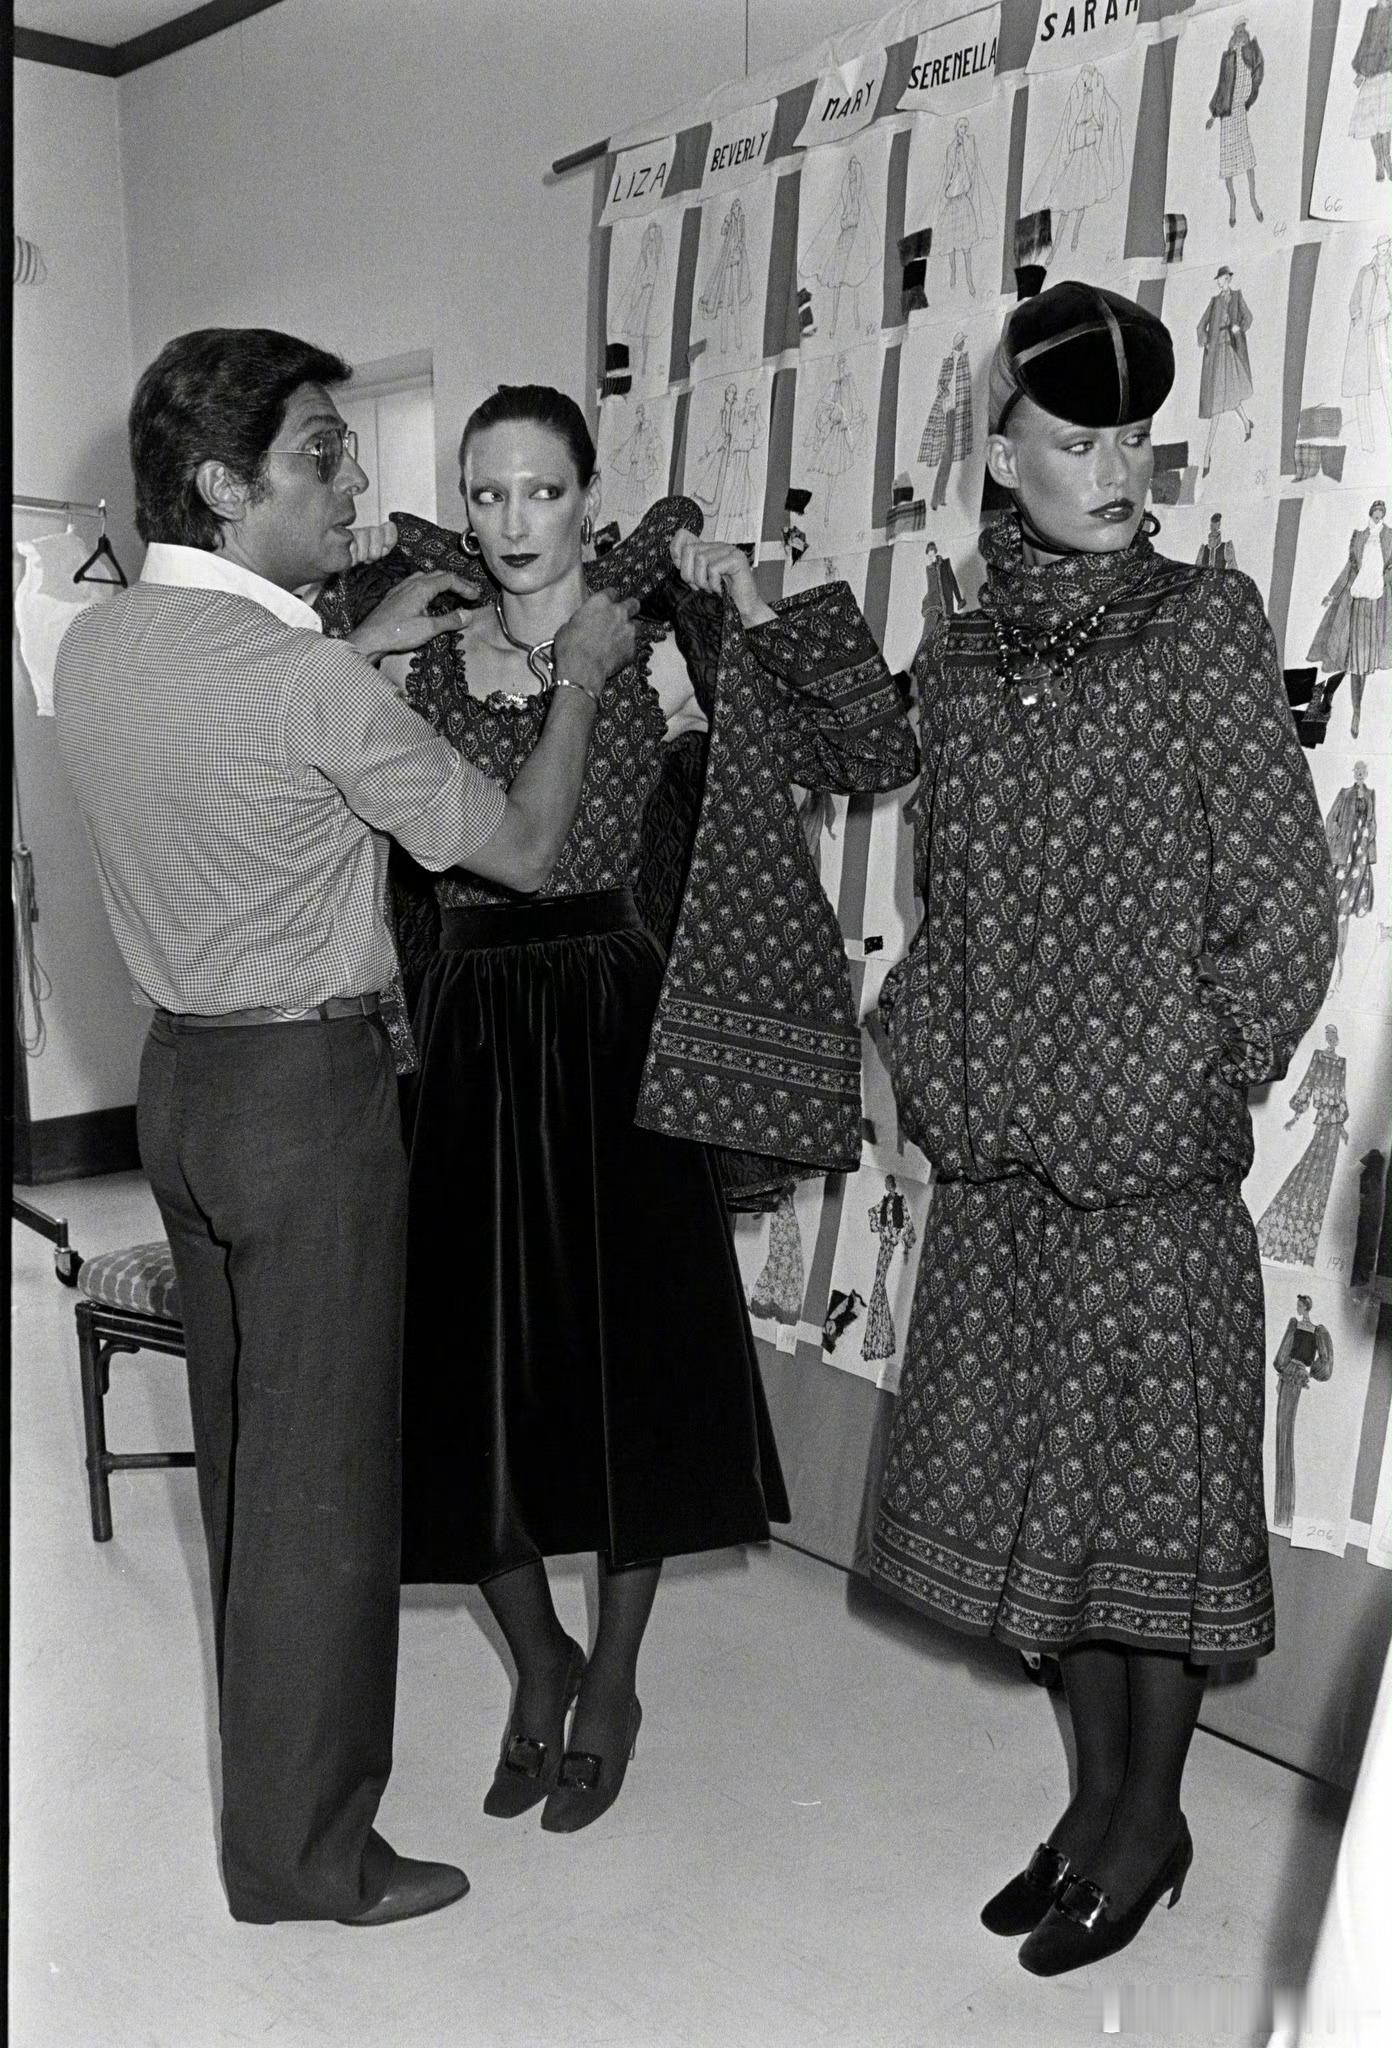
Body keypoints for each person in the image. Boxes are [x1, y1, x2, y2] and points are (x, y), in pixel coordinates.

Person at [53, 329, 636, 1926]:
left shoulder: (98, 647)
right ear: (223, 486)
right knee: (323, 1497)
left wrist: (359, 640)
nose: (354, 476)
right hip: (306, 1104)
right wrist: (584, 676)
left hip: (181, 1093)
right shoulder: (305, 681)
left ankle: (271, 1821)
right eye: (321, 452)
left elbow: (235, 721)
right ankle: (310, 1858)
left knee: (252, 1479)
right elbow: (521, 850)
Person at [330, 383, 916, 1834]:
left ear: (589, 497)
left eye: (540, 490)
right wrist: (361, 654)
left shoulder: (656, 643)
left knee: (627, 1362)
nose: (511, 522)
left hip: (612, 1028)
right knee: (466, 1368)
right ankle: (540, 1656)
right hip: (464, 1029)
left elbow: (866, 752)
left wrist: (748, 599)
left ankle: (615, 1681)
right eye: (485, 492)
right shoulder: (421, 652)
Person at [870, 282, 1336, 1975]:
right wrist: (932, 1057)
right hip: (1005, 1168)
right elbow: (951, 899)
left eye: (1137, 436)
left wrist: (1187, 1078)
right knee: (1042, 1514)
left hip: (1147, 1171)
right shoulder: (961, 654)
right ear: (1004, 457)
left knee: (1150, 1527)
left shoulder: (1204, 622)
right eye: (1079, 440)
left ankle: (1149, 1826)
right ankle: (1090, 1811)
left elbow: (1287, 906)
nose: (1118, 469)